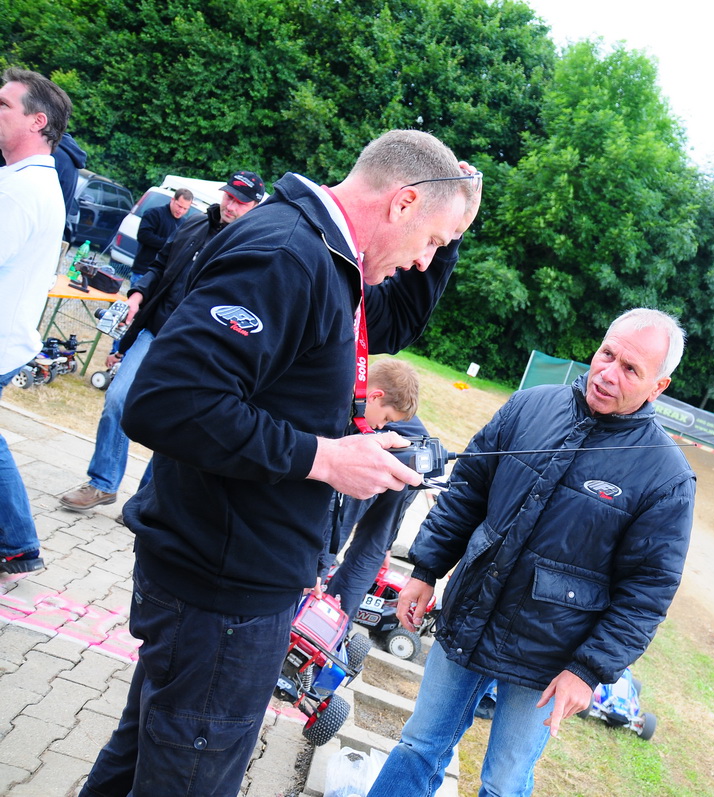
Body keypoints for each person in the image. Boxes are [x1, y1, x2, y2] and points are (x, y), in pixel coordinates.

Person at [80, 129, 480, 797]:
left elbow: (394, 321)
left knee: (141, 758)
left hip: (223, 582)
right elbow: (167, 402)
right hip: (220, 595)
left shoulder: (331, 257)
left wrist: (455, 227)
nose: (423, 261)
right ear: (403, 202)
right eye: (432, 241)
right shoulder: (289, 255)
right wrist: (323, 457)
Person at [367, 308, 695, 797]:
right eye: (608, 354)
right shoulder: (530, 406)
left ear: (658, 387)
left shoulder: (667, 477)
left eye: (631, 369)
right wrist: (426, 569)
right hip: (470, 615)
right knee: (419, 746)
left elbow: (647, 594)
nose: (609, 373)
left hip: (549, 657)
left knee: (503, 783)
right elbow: (467, 492)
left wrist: (586, 671)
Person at [58, 171, 264, 512]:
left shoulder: (253, 245)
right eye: (229, 196)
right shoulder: (194, 223)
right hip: (155, 330)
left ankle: (146, 501)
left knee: (173, 424)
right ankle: (102, 483)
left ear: (254, 206)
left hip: (198, 348)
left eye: (240, 202)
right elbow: (159, 266)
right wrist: (137, 294)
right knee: (117, 399)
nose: (231, 206)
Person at [0, 68, 72, 575]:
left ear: (37, 121)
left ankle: (20, 545)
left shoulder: (23, 189)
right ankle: (19, 545)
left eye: (4, 104)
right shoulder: (27, 180)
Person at [320, 358, 427, 619]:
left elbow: (334, 515)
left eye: (389, 420)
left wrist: (312, 570)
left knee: (334, 531)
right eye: (386, 418)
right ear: (374, 396)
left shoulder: (349, 397)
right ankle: (336, 623)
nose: (381, 425)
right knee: (370, 553)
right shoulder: (352, 397)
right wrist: (385, 544)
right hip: (414, 462)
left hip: (385, 460)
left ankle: (306, 599)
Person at [129, 186, 193, 284]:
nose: (181, 211)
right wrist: (170, 245)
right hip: (144, 271)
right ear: (173, 200)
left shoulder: (184, 223)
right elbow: (143, 235)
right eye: (179, 206)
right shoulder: (154, 213)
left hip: (162, 276)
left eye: (185, 209)